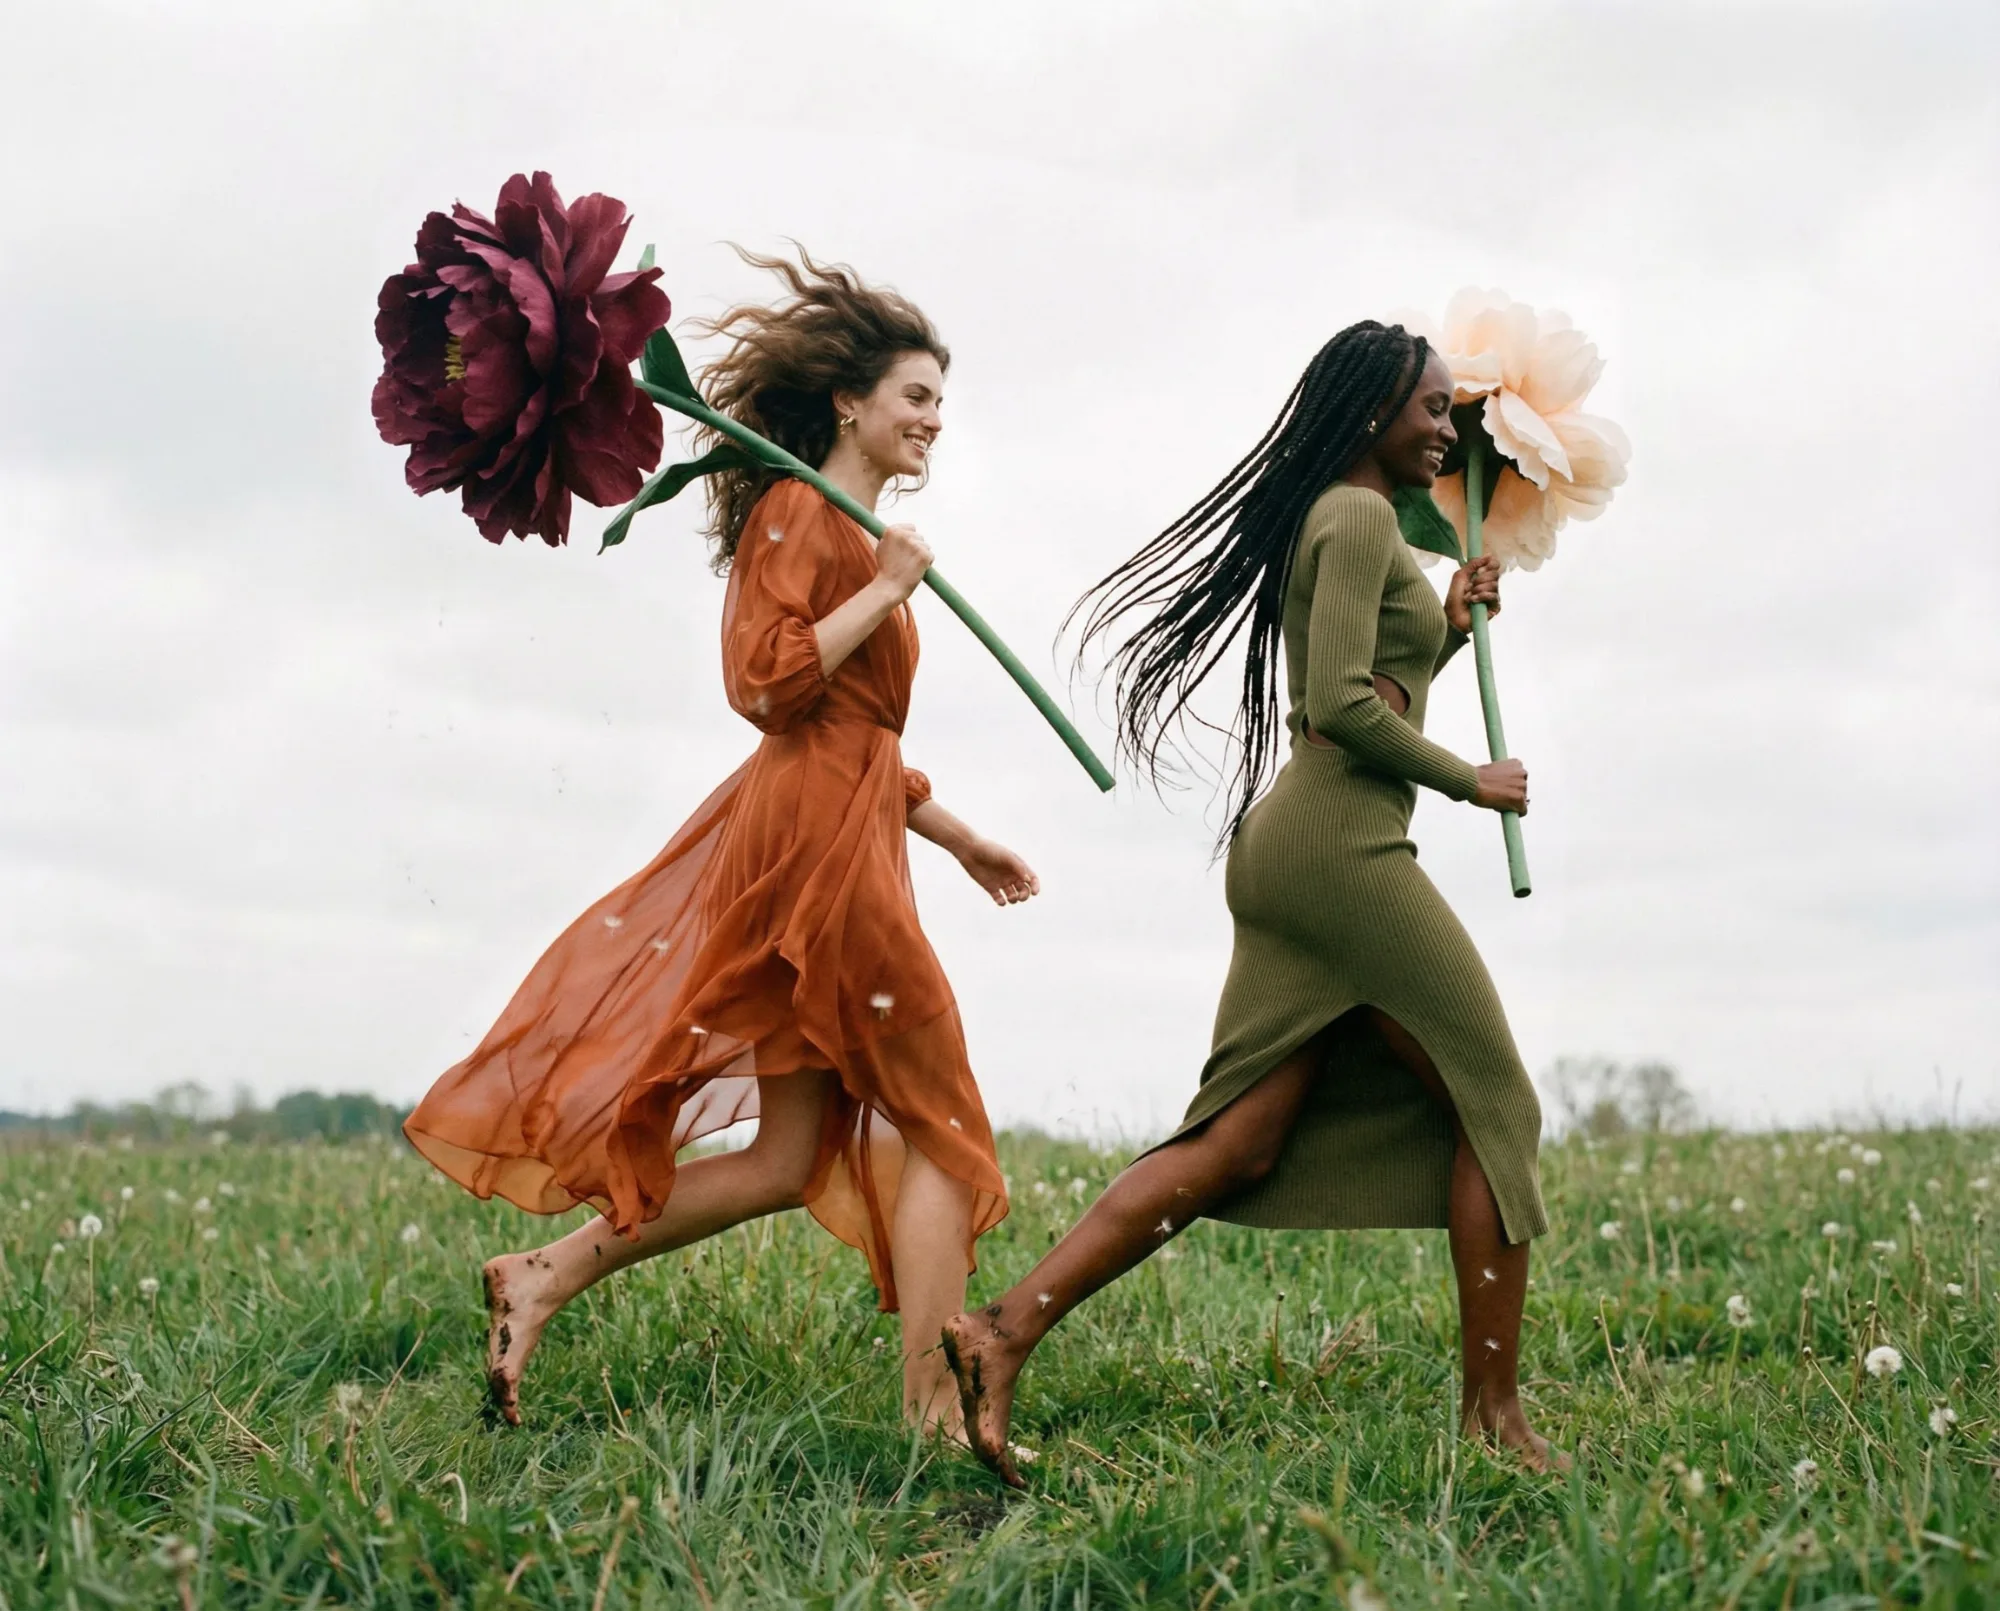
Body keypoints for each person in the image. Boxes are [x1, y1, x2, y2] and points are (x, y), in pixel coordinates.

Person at [405, 249, 1037, 1435]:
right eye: (915, 398)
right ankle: (935, 1416)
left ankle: (542, 1275)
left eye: (941, 404)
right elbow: (765, 685)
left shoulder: (843, 527)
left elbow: (853, 734)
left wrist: (955, 837)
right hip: (815, 857)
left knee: (782, 1154)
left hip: (841, 828)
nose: (933, 424)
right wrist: (887, 591)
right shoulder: (802, 515)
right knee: (944, 1127)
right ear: (848, 402)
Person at [943, 321, 1561, 1482]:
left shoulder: (1343, 520)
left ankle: (998, 1330)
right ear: (1368, 411)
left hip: (1303, 850)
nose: (1443, 428)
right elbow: (1337, 706)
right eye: (1427, 409)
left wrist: (1447, 617)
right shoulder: (1356, 513)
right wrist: (1468, 782)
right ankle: (1494, 1422)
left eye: (1446, 409)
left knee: (1238, 1139)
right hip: (1340, 856)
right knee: (1497, 1109)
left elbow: (1373, 666)